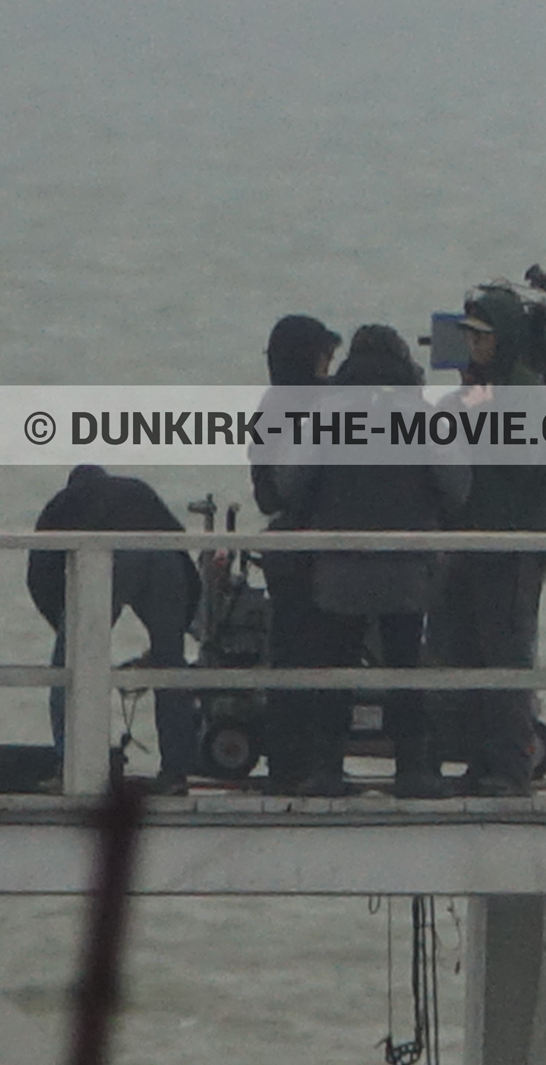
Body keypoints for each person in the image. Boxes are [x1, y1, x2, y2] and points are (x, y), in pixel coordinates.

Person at [277, 325, 469, 798]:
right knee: (404, 665)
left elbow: (290, 482)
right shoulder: (422, 417)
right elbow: (456, 487)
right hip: (406, 566)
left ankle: (327, 768)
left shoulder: (327, 414)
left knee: (336, 663)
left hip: (339, 564)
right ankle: (413, 769)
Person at [435, 286, 546, 797]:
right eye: (469, 336)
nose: (474, 346)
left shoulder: (524, 393)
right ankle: (478, 759)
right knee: (467, 651)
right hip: (473, 540)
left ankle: (511, 767)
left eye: (484, 337)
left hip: (510, 548)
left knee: (506, 654)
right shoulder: (491, 389)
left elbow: (524, 465)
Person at [27, 466, 202, 794]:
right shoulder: (137, 489)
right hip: (164, 556)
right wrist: (179, 627)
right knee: (171, 669)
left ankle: (71, 768)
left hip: (112, 556)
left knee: (69, 669)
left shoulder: (64, 501)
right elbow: (185, 561)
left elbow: (39, 573)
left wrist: (66, 630)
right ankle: (176, 773)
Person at [250, 313, 341, 793]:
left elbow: (266, 495)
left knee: (286, 654)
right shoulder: (327, 407)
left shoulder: (269, 409)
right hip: (321, 549)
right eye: (325, 356)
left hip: (285, 550)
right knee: (328, 654)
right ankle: (318, 762)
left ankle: (285, 763)